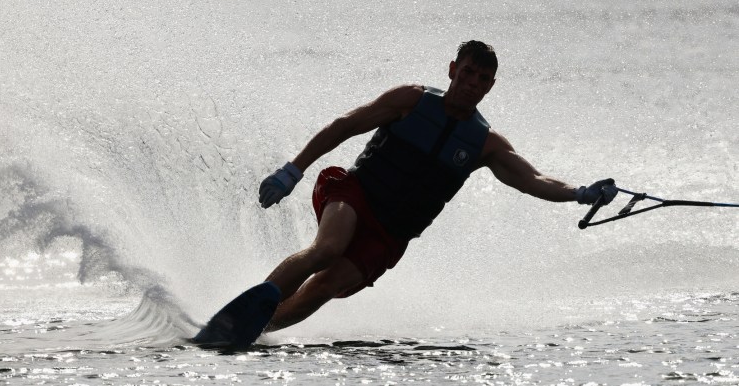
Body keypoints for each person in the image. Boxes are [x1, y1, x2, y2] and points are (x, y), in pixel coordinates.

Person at [197, 40, 617, 345]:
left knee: (326, 288)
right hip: (355, 194)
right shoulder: (411, 101)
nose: (472, 83)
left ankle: (250, 330)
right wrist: (294, 169)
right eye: (467, 72)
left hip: (391, 235)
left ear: (490, 87)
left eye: (482, 79)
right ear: (452, 69)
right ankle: (252, 307)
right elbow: (346, 124)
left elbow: (535, 180)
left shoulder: (485, 144)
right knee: (326, 250)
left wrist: (581, 193)